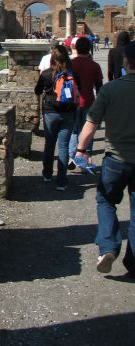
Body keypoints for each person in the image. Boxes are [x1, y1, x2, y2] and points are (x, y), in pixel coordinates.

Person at [75, 41, 135, 277]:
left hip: (116, 159)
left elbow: (91, 124)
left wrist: (81, 150)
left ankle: (108, 247)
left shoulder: (111, 90)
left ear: (126, 62)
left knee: (106, 202)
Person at [35, 45, 81, 190]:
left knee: (49, 144)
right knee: (63, 147)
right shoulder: (74, 73)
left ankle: (47, 174)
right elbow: (79, 91)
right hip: (69, 113)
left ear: (52, 58)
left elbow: (37, 90)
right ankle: (61, 181)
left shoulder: (47, 74)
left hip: (50, 112)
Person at [68, 36, 103, 169]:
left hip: (73, 102)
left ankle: (72, 157)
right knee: (88, 130)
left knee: (74, 130)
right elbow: (99, 86)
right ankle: (86, 158)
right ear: (89, 49)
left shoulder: (71, 64)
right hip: (89, 101)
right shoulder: (95, 66)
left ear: (76, 48)